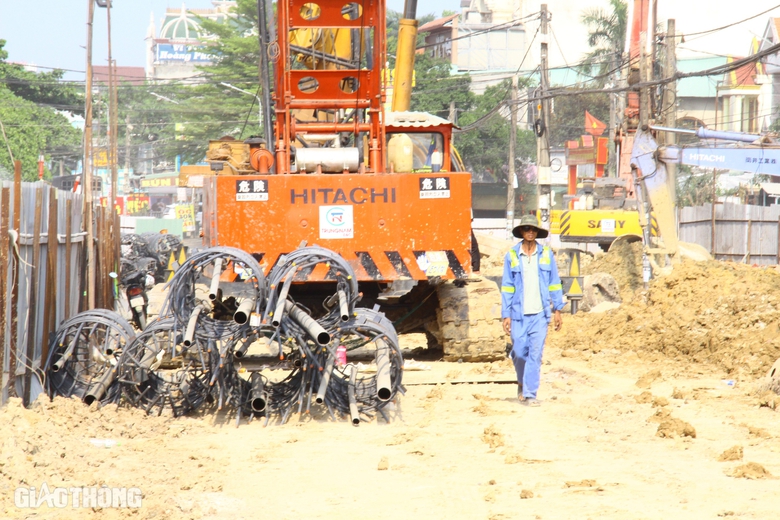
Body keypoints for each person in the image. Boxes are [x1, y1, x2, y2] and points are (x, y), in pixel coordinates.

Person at [501, 214, 564, 406]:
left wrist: (558, 310)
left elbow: (554, 283)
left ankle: (530, 394)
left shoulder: (546, 254)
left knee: (535, 355)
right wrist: (506, 314)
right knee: (519, 353)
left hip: (539, 314)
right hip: (518, 314)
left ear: (537, 232)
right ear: (521, 232)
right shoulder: (511, 255)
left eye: (533, 229)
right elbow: (507, 286)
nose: (530, 232)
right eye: (527, 229)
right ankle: (521, 383)